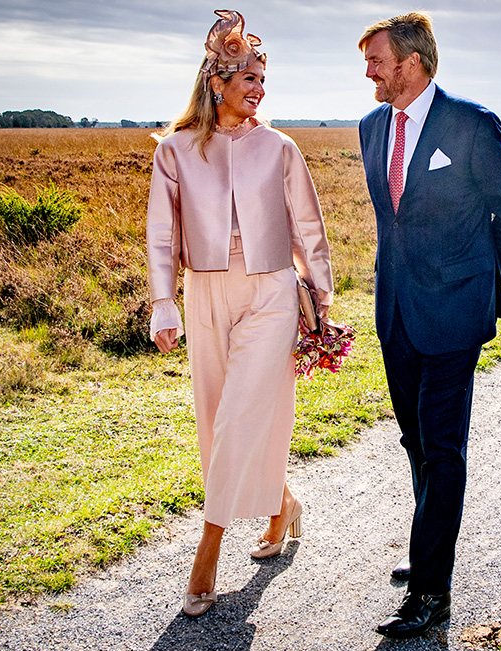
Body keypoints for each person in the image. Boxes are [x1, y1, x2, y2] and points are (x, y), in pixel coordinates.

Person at [145, 9, 333, 618]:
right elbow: (159, 236)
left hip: (272, 292)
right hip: (204, 292)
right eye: (246, 78)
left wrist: (321, 299)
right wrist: (163, 303)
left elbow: (308, 224)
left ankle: (209, 544)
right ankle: (282, 504)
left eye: (262, 81)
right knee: (219, 416)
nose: (256, 89)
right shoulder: (173, 151)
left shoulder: (281, 147)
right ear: (216, 83)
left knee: (248, 409)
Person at [357, 12, 501, 639]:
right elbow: (393, 221)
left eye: (376, 59)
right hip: (396, 312)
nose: (369, 72)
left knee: (443, 446)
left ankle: (432, 591)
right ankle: (428, 543)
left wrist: (477, 275)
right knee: (414, 441)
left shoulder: (470, 124)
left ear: (410, 62)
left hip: (455, 312)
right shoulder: (371, 126)